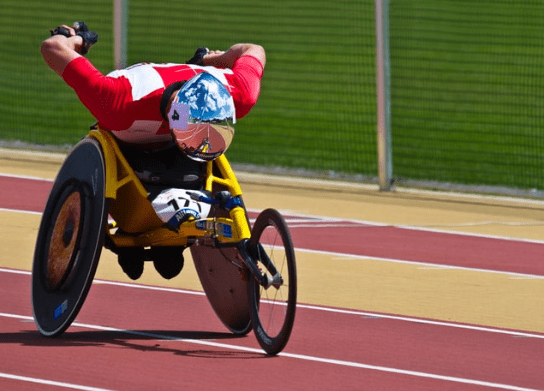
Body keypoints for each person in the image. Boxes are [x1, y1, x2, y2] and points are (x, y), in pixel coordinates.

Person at [41, 22, 266, 280]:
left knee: (169, 259)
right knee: (157, 255)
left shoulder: (239, 95)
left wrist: (212, 59)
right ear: (174, 119)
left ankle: (166, 238)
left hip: (181, 151)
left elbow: (254, 49)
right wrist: (72, 41)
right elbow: (51, 48)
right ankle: (139, 233)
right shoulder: (116, 100)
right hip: (127, 148)